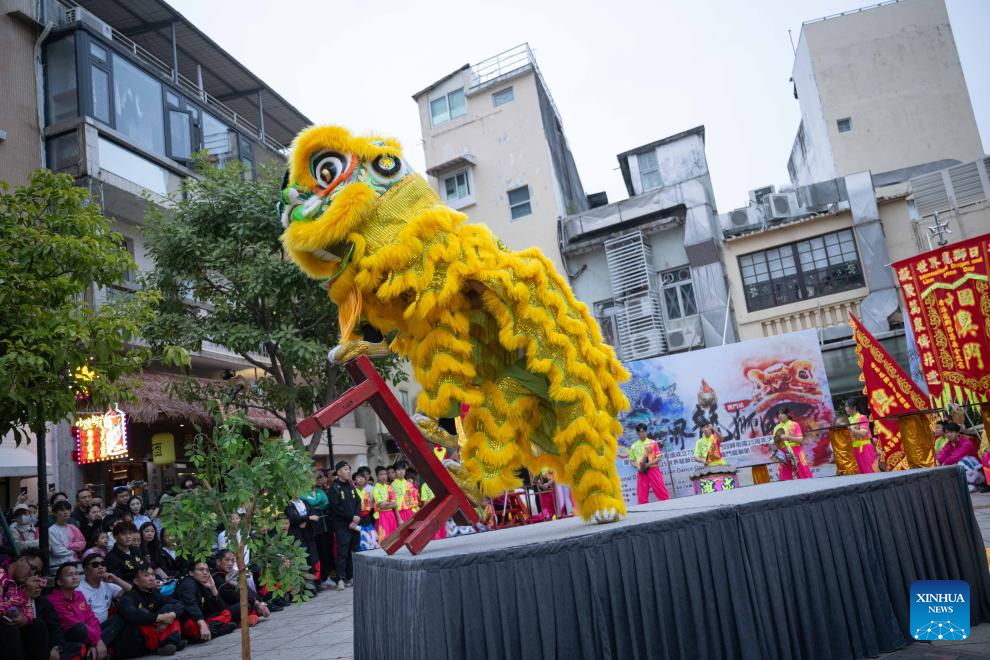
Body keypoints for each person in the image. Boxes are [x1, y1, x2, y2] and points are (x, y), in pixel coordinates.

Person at [115, 564, 186, 658]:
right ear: (136, 581)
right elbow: (132, 615)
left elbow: (179, 604)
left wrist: (171, 616)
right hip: (133, 644)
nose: (152, 578)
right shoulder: (128, 597)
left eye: (152, 574)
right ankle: (168, 643)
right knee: (142, 612)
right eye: (146, 575)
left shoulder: (154, 594)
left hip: (152, 634)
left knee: (170, 608)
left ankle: (167, 643)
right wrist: (160, 618)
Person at [47, 562, 104, 659]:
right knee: (80, 627)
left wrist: (96, 641)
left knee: (117, 620)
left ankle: (92, 650)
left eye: (77, 574)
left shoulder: (79, 594)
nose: (75, 577)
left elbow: (91, 618)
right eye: (70, 575)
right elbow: (71, 622)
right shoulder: (53, 600)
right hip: (69, 636)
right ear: (60, 582)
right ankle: (95, 651)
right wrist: (97, 640)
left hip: (88, 634)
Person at [77, 550, 129, 651]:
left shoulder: (108, 586)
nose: (100, 567)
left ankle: (97, 648)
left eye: (103, 564)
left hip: (105, 628)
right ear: (85, 570)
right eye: (95, 564)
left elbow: (131, 591)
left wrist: (116, 579)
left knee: (123, 614)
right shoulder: (78, 589)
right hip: (88, 629)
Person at [175, 560, 238, 642]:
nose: (205, 573)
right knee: (192, 625)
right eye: (201, 569)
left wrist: (213, 588)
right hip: (189, 620)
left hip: (202, 618)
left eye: (207, 570)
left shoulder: (203, 584)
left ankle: (208, 633)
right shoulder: (188, 584)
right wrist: (202, 623)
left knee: (226, 613)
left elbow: (220, 609)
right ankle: (209, 632)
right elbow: (191, 604)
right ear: (191, 573)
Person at [212, 549, 269, 625]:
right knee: (246, 605)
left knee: (249, 597)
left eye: (232, 561)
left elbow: (246, 589)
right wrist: (255, 602)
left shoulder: (231, 573)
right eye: (227, 560)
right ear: (218, 562)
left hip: (234, 604)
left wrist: (260, 602)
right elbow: (232, 596)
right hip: (222, 610)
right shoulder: (217, 577)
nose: (230, 563)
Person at [328, 461, 361, 590]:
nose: (348, 472)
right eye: (346, 469)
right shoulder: (334, 488)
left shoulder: (351, 486)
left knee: (354, 550)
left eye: (349, 469)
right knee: (342, 552)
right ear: (339, 472)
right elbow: (336, 507)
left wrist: (356, 517)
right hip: (342, 525)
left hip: (354, 524)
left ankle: (351, 576)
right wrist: (351, 517)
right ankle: (340, 579)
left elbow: (358, 501)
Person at [302, 471, 334, 587]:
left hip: (323, 525)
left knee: (325, 552)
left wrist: (316, 506)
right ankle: (317, 579)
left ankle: (326, 577)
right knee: (315, 554)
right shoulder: (303, 492)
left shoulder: (320, 491)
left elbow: (327, 503)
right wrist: (317, 506)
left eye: (316, 478)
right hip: (311, 528)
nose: (314, 480)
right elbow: (308, 504)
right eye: (311, 478)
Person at [285, 495, 320, 591]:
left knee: (314, 558)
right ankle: (306, 587)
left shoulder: (305, 501)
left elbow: (314, 515)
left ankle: (316, 582)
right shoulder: (288, 504)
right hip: (297, 535)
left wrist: (306, 521)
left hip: (309, 532)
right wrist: (308, 518)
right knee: (303, 559)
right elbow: (293, 518)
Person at [628, 424, 670, 504]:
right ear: (637, 433)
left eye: (644, 431)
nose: (643, 433)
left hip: (653, 469)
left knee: (661, 490)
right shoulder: (634, 446)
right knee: (642, 495)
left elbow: (658, 458)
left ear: (646, 431)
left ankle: (669, 508)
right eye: (640, 432)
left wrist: (647, 464)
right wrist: (638, 466)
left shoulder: (653, 443)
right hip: (641, 471)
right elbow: (632, 461)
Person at [772, 409, 813, 480]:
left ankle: (809, 486)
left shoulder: (794, 425)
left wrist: (787, 437)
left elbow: (800, 440)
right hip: (783, 452)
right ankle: (788, 489)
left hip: (796, 450)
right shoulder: (776, 428)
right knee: (784, 474)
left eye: (782, 413)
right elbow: (775, 443)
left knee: (803, 471)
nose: (780, 415)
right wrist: (776, 441)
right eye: (778, 414)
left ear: (787, 414)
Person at [49, 500, 86, 570]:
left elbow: (82, 543)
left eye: (68, 509)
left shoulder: (72, 527)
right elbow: (57, 551)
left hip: (74, 562)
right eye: (61, 510)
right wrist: (74, 550)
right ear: (55, 513)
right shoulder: (51, 530)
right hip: (59, 565)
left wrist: (68, 546)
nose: (66, 512)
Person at [845, 399, 879, 473]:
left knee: (871, 470)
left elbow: (864, 433)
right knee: (859, 472)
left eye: (847, 406)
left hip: (865, 448)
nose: (845, 409)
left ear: (853, 407)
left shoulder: (862, 417)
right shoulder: (848, 420)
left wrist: (850, 429)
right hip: (854, 450)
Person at [353, 469, 378, 550]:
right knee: (361, 538)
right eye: (358, 477)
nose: (361, 479)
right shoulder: (352, 492)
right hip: (358, 517)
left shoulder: (366, 492)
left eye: (363, 477)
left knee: (371, 536)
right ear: (354, 480)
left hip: (367, 516)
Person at [372, 466, 398, 541]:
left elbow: (395, 503)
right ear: (377, 476)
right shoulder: (375, 489)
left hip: (391, 515)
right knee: (383, 540)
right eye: (381, 474)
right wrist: (390, 503)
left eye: (385, 474)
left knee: (394, 539)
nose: (384, 476)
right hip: (381, 516)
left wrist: (386, 503)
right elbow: (381, 506)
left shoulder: (389, 487)